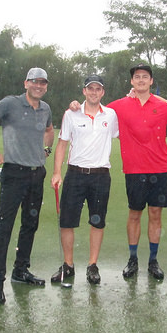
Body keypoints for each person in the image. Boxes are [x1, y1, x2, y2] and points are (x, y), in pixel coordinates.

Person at [0, 67, 55, 304]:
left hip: (37, 173)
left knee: (30, 224)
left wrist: (47, 149)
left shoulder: (46, 108)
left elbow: (49, 130)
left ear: (46, 86)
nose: (38, 85)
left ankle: (21, 270)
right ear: (26, 83)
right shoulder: (10, 104)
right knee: (4, 226)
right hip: (14, 173)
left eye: (43, 82)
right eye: (34, 81)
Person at [107, 63, 167, 280]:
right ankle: (133, 259)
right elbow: (95, 110)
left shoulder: (163, 106)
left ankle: (153, 261)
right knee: (135, 214)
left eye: (145, 76)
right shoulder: (119, 105)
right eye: (137, 77)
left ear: (151, 81)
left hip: (161, 169)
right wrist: (76, 106)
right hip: (135, 170)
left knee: (155, 214)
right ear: (131, 81)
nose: (140, 80)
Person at [50, 75, 119, 285]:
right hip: (75, 174)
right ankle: (68, 265)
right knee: (67, 221)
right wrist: (57, 172)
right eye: (91, 88)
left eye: (98, 89)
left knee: (97, 221)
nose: (94, 92)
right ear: (84, 91)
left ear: (103, 92)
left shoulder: (111, 115)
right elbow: (62, 144)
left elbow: (121, 132)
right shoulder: (71, 114)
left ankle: (92, 265)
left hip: (101, 175)